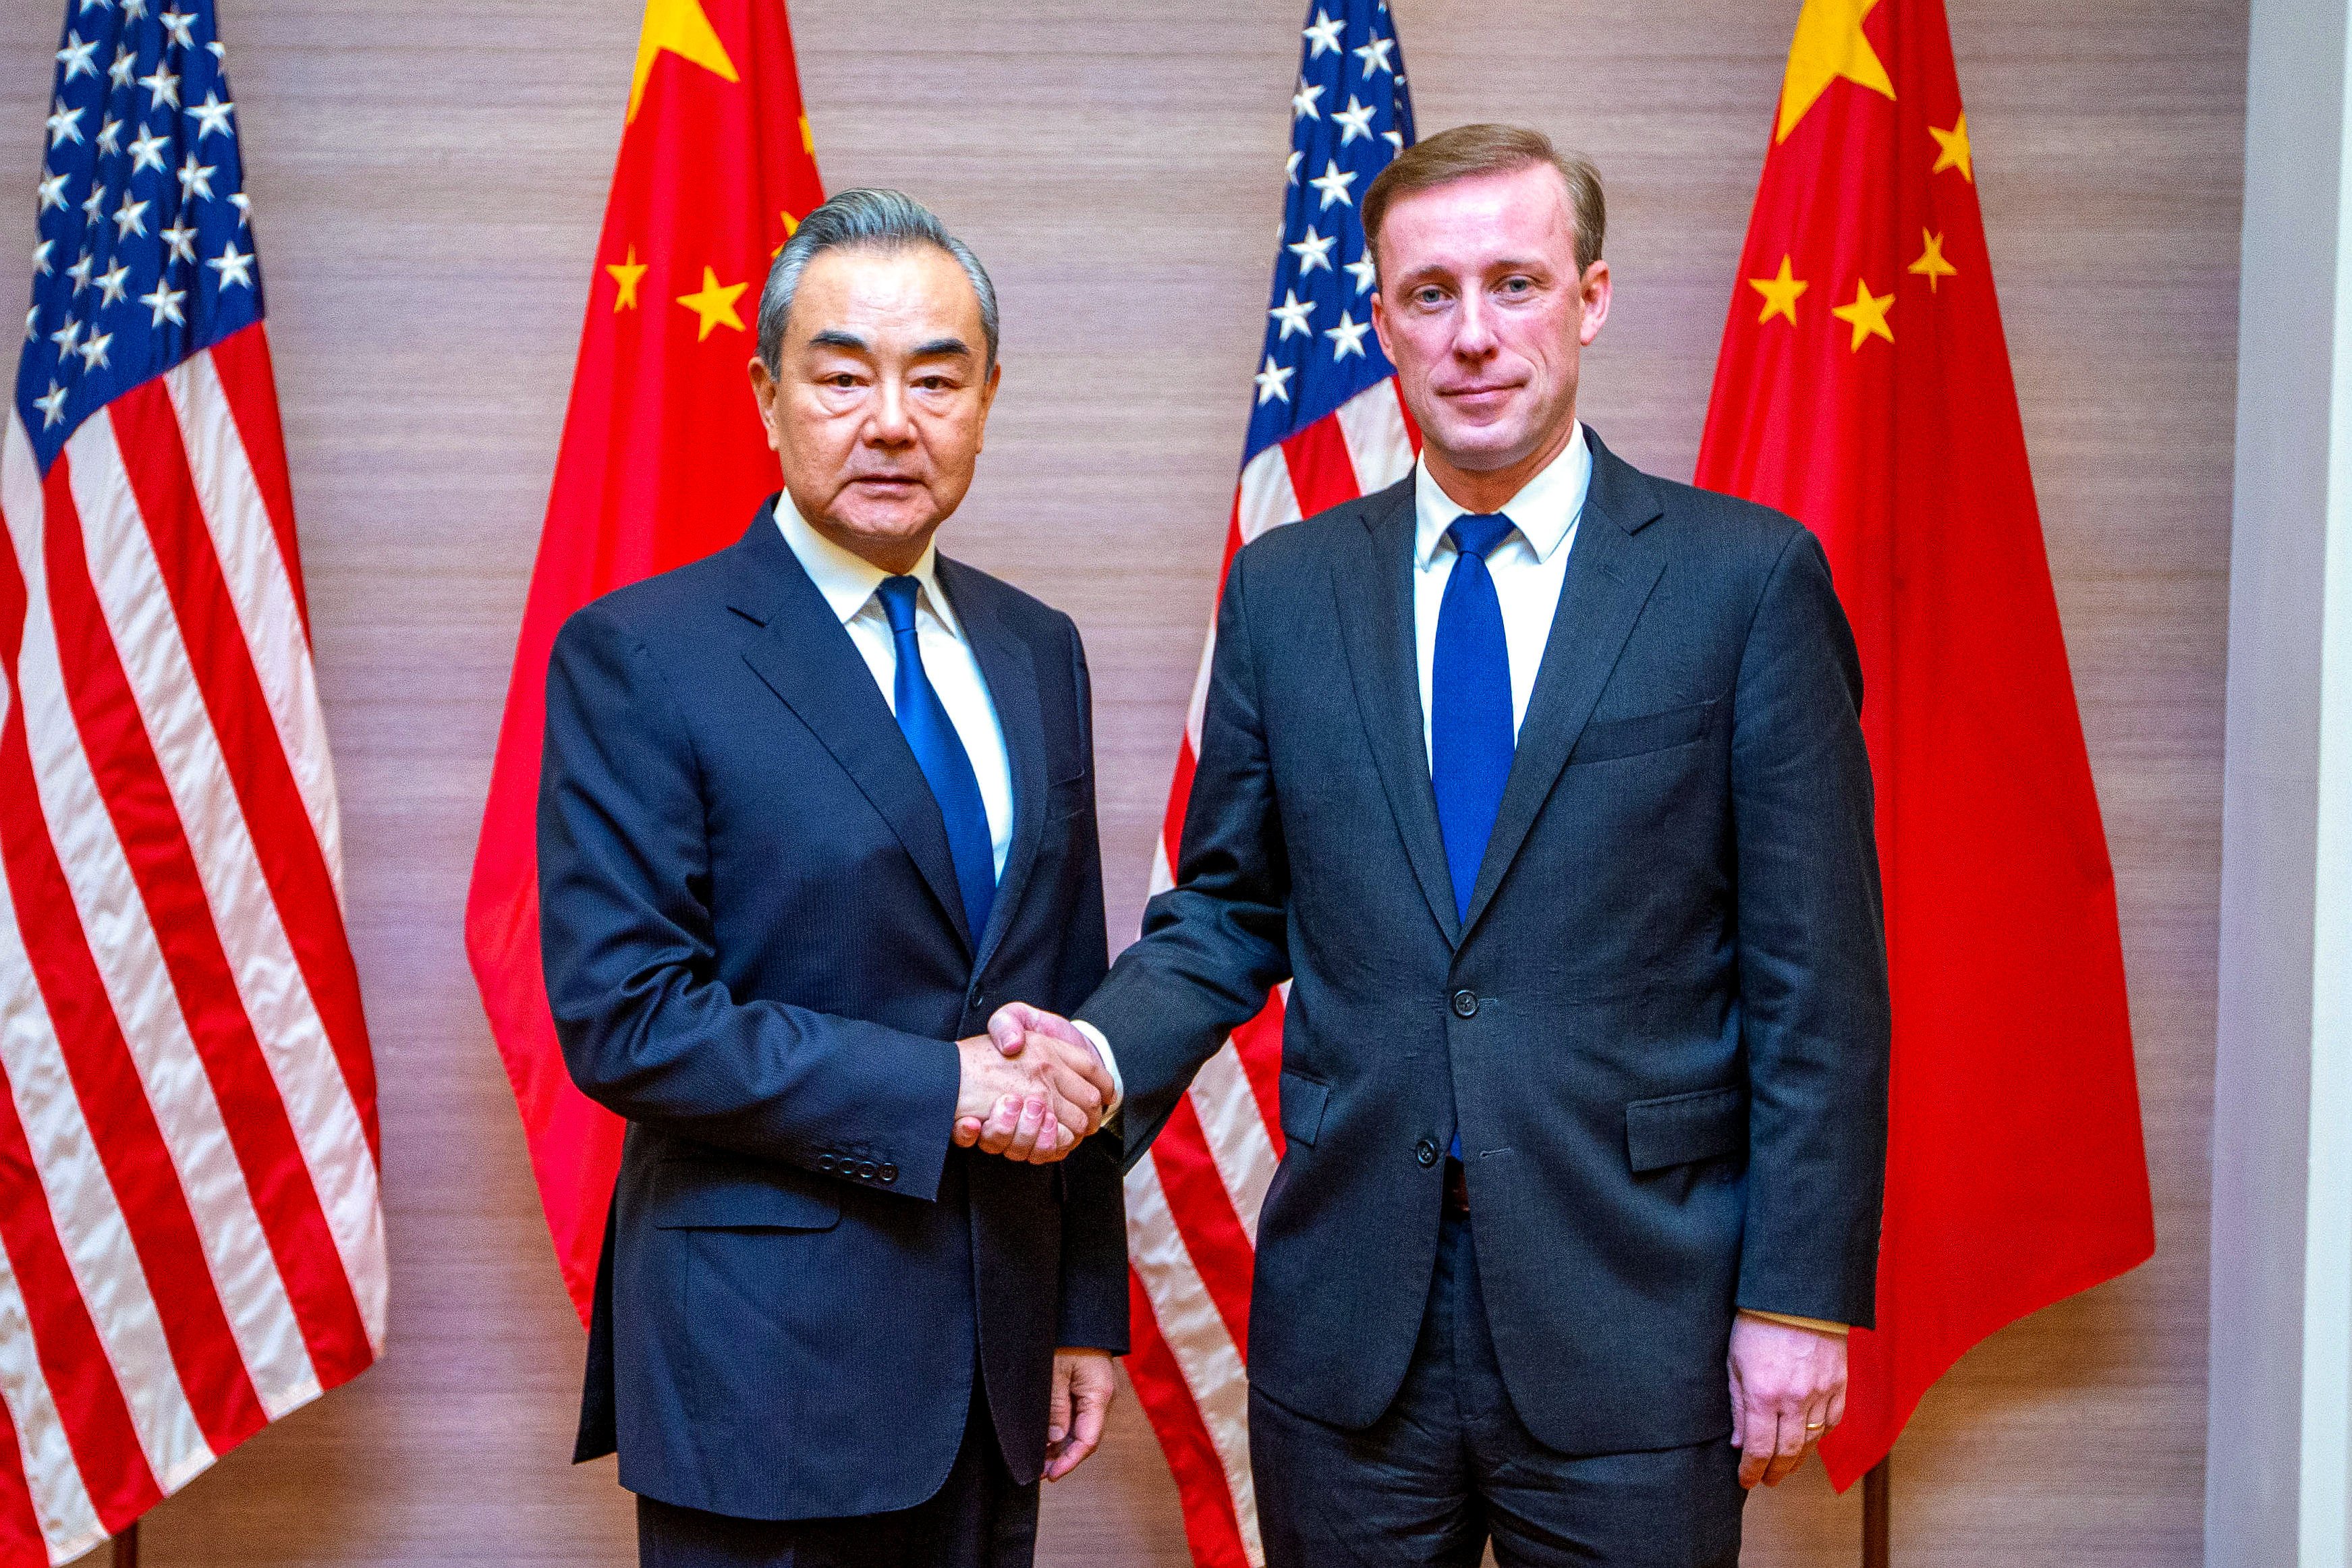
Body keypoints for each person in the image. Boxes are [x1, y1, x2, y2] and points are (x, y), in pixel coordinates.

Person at [990, 124, 1891, 1566]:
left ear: (1590, 298)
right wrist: (1094, 1059)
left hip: (1636, 1310)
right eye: (1429, 295)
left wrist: (1798, 1296)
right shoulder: (1289, 590)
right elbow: (1225, 908)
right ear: (1380, 320)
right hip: (1352, 1326)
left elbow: (1819, 984)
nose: (1474, 336)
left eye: (1515, 284)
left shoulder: (1744, 582)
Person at [538, 188, 1127, 1568]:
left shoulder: (1038, 647)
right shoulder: (645, 650)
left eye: (936, 378)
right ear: (767, 395)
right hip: (765, 1373)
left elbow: (1066, 994)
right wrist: (944, 1089)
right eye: (842, 375)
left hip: (997, 1358)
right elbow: (628, 1014)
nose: (891, 421)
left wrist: (1083, 1301)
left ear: (986, 398)